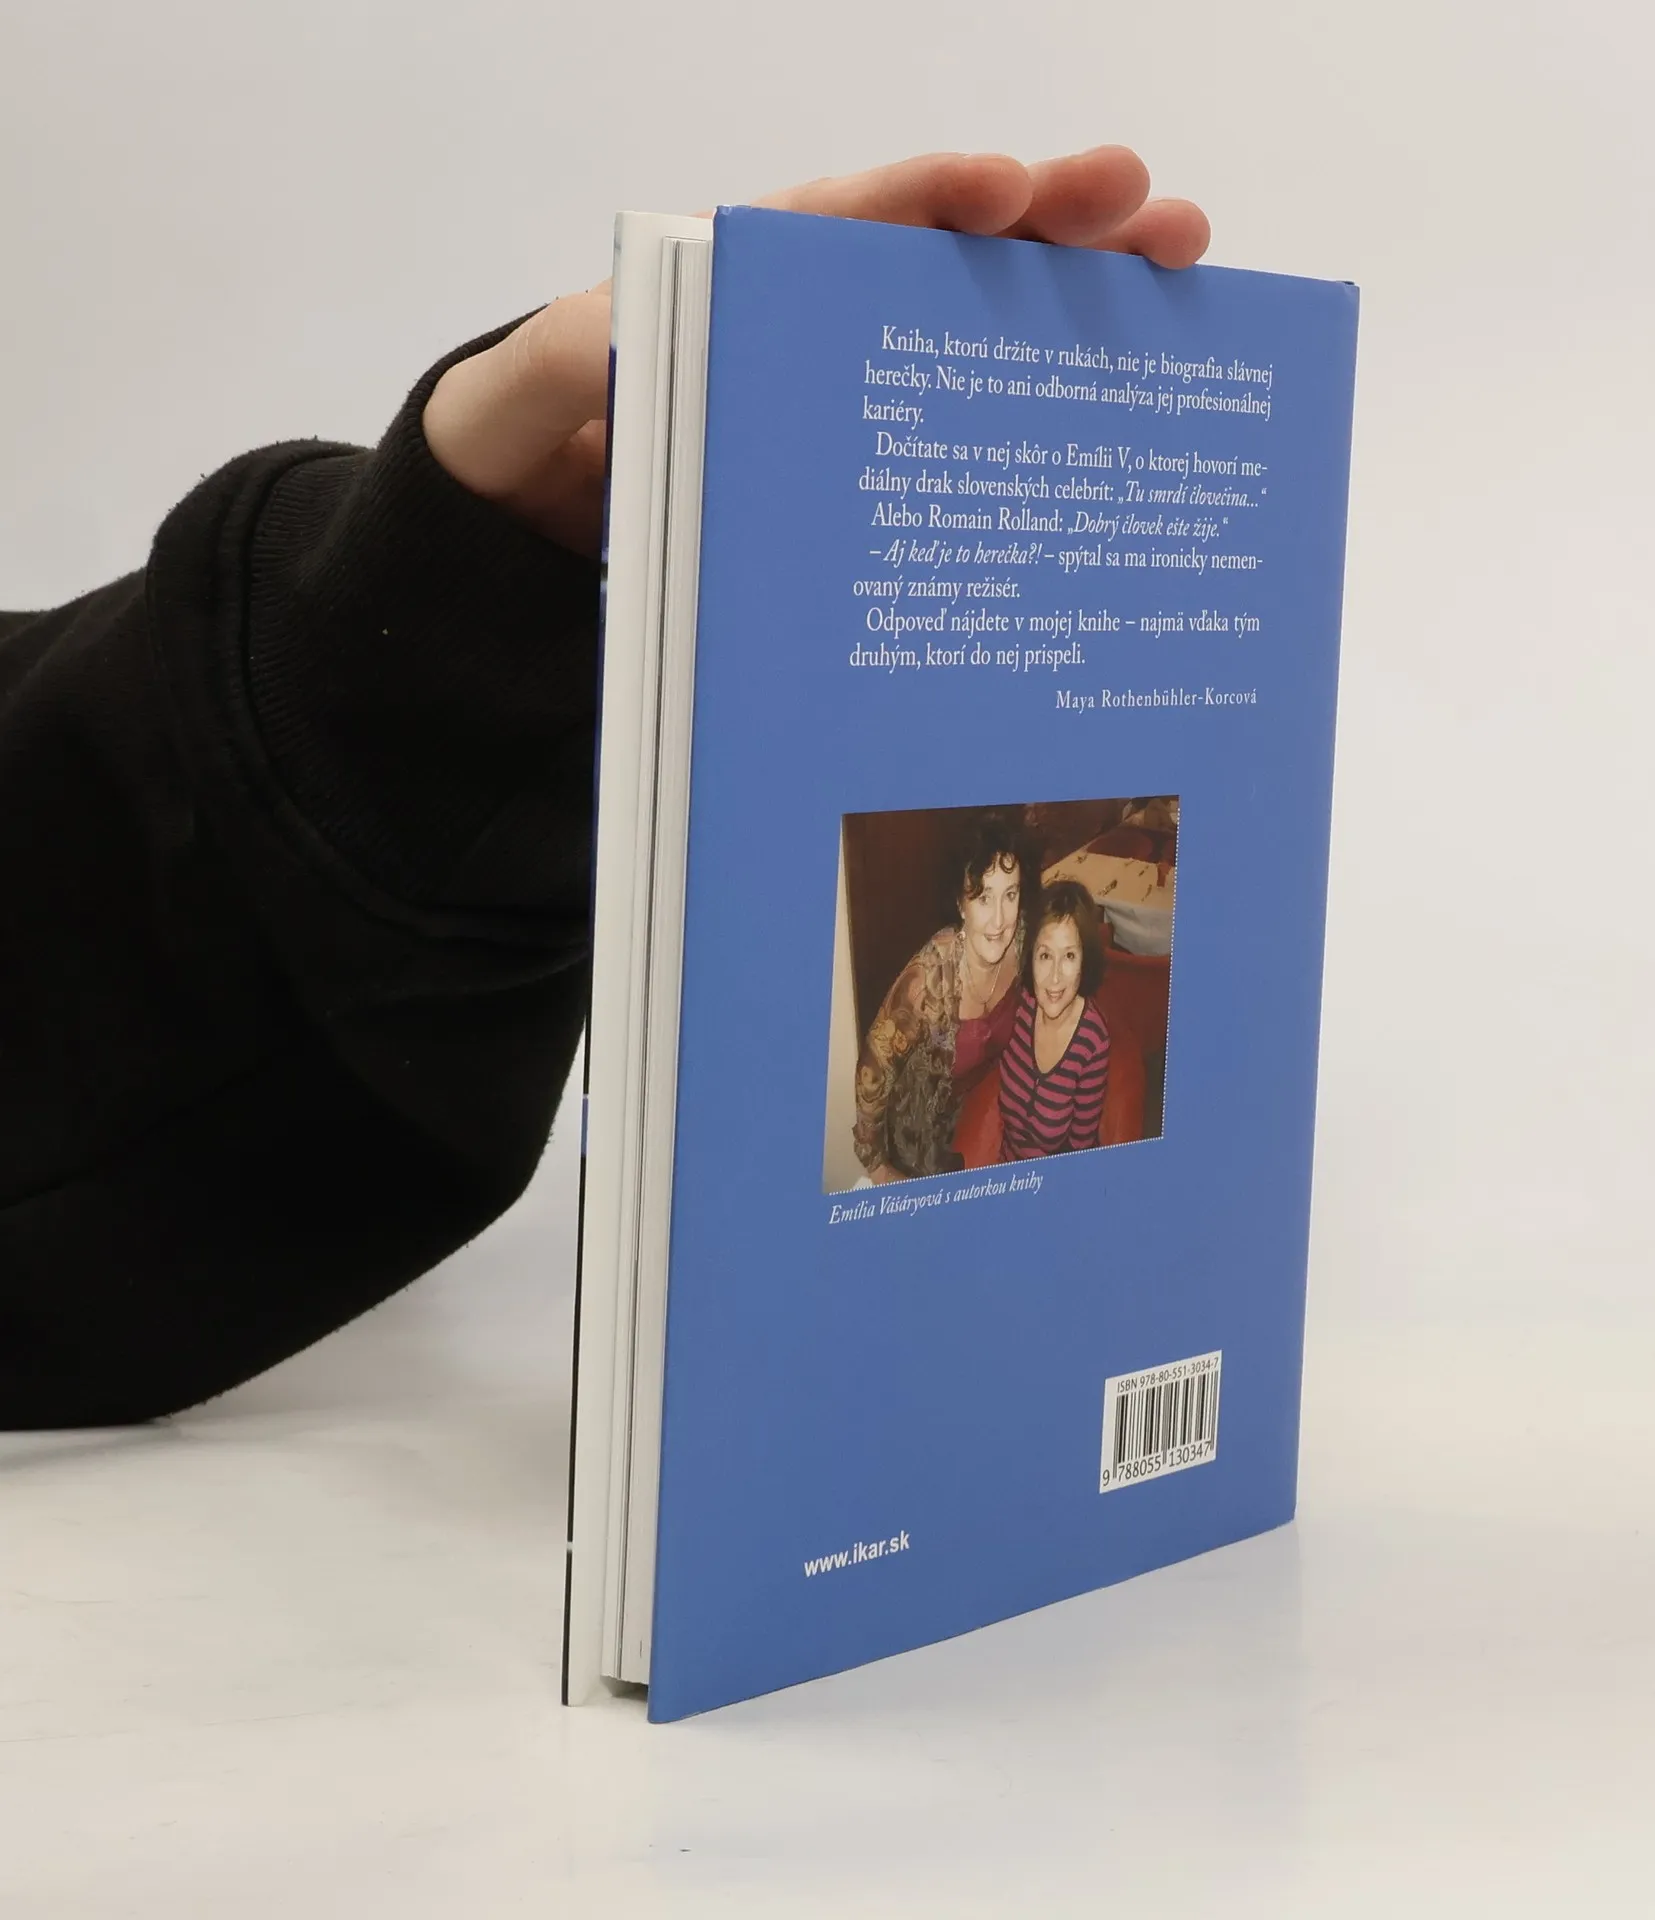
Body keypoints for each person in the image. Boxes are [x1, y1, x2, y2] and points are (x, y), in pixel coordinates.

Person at [0, 148, 1210, 1430]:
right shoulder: (924, 986)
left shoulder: (1070, 1021)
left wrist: (414, 629)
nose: (1017, 934)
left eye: (1029, 919)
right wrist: (395, 670)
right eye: (1000, 903)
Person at [851, 811, 1035, 1184]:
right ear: (960, 903)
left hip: (984, 1107)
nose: (999, 920)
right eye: (983, 897)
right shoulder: (929, 979)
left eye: (1010, 894)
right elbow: (871, 1068)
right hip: (922, 1137)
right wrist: (877, 1167)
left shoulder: (1022, 939)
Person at [997, 881, 1112, 1161]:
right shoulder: (1018, 1006)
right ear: (1031, 957)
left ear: (1085, 961)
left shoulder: (1093, 1042)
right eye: (1045, 955)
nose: (1055, 977)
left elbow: (1080, 1150)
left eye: (1069, 955)